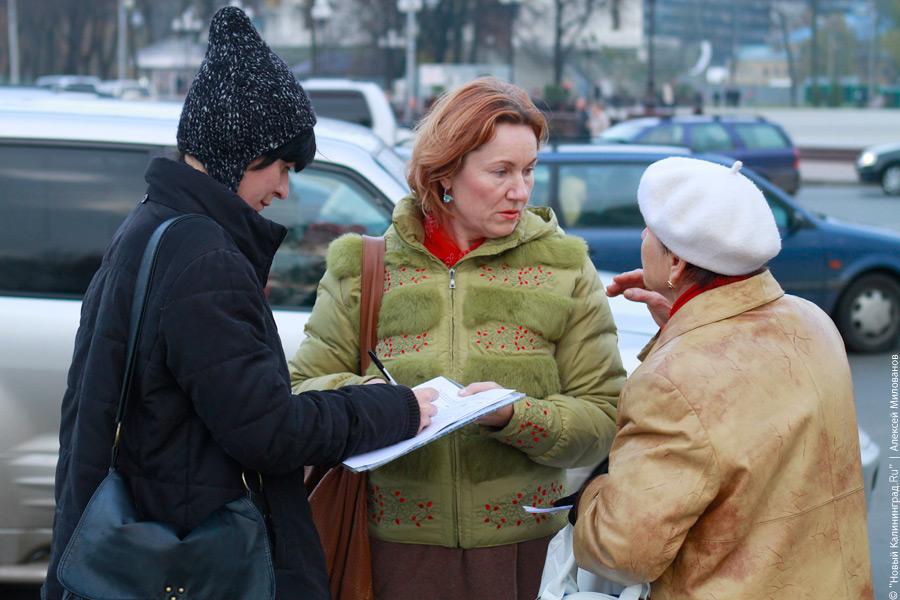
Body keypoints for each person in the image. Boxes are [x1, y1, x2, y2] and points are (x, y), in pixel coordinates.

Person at [42, 8, 436, 600]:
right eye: (280, 166)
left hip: (142, 536)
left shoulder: (150, 226)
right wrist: (396, 408)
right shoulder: (204, 259)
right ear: (237, 151)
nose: (283, 189)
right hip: (196, 559)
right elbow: (269, 432)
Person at [289, 77, 626, 600]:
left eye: (529, 169)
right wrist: (382, 405)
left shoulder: (565, 267)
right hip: (388, 555)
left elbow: (604, 418)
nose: (521, 191)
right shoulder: (363, 265)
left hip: (523, 556)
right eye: (501, 171)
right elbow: (301, 394)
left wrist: (515, 416)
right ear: (445, 172)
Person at [572, 157, 873, 598]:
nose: (641, 238)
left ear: (676, 263)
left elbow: (621, 553)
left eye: (649, 231)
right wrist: (679, 326)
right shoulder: (812, 321)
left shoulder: (673, 380)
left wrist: (589, 498)